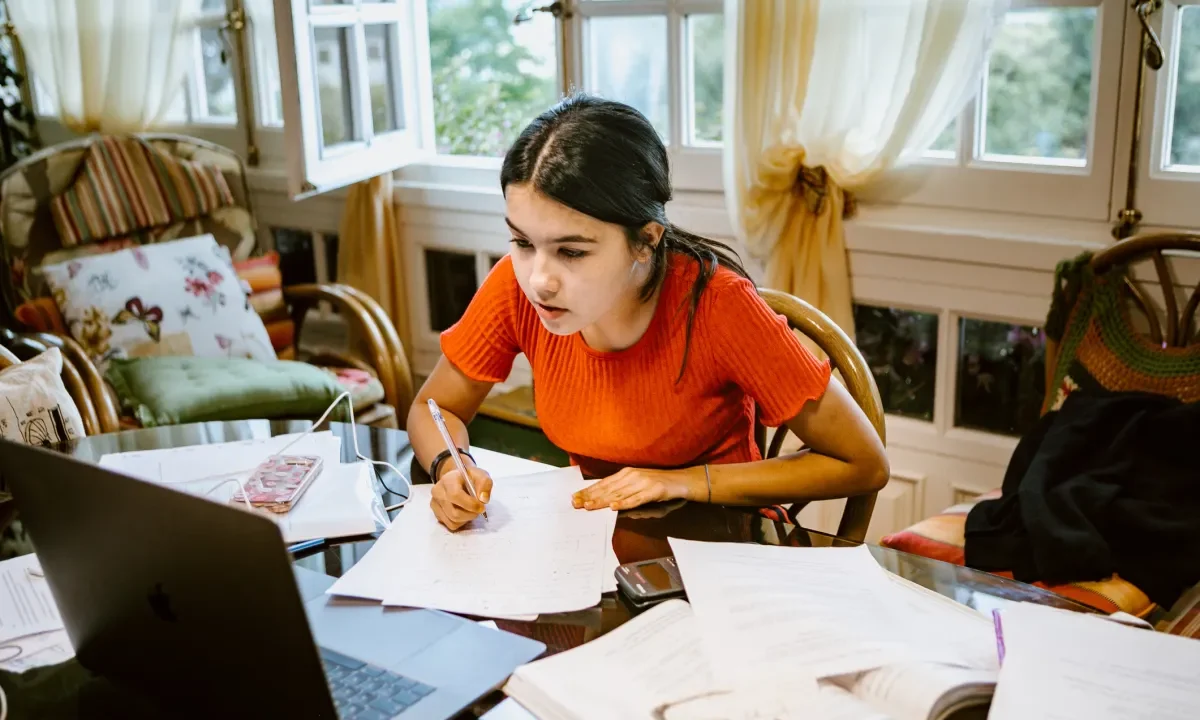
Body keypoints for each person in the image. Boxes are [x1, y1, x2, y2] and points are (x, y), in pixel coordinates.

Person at [408, 94, 889, 531]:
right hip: (596, 539)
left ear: (646, 240)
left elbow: (863, 463)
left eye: (572, 252)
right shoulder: (516, 289)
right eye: (522, 242)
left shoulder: (718, 305)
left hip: (723, 540)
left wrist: (681, 481)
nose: (539, 279)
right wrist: (452, 466)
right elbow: (435, 408)